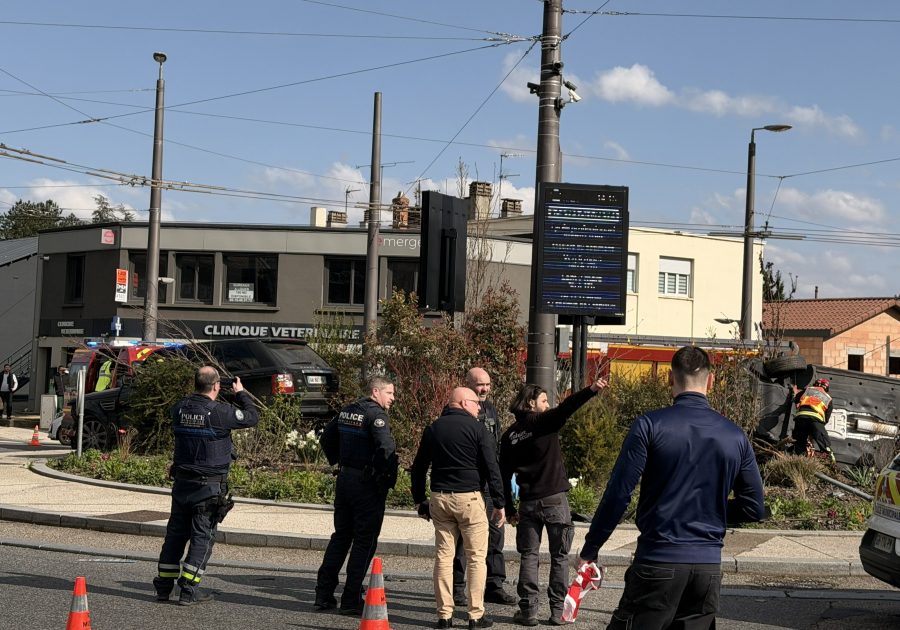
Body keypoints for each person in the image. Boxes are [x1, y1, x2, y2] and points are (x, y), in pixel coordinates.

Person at [577, 346, 766, 630]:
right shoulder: (734, 435)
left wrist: (591, 548)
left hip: (659, 558)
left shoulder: (649, 426)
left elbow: (619, 493)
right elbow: (754, 506)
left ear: (669, 377)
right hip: (707, 569)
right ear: (711, 381)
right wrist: (706, 509)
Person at [500, 375, 608, 626]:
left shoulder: (510, 436)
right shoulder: (543, 422)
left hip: (528, 502)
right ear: (530, 403)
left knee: (529, 554)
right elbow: (567, 407)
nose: (548, 405)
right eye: (544, 400)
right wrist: (591, 390)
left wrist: (509, 506)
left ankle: (528, 610)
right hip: (555, 501)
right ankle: (557, 610)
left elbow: (503, 475)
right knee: (559, 555)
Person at [153, 366, 259, 606]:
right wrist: (240, 393)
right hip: (208, 488)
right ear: (215, 386)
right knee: (202, 537)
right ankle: (189, 589)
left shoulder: (179, 408)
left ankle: (163, 587)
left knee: (175, 535)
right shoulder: (220, 413)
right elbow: (251, 417)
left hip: (182, 484)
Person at [412, 387, 506, 630]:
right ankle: (475, 616)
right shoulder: (478, 430)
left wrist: (419, 499)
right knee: (476, 558)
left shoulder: (434, 428)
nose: (479, 408)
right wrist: (500, 503)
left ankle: (444, 616)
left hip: (440, 499)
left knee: (443, 557)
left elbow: (419, 466)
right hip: (470, 500)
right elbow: (491, 467)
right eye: (476, 403)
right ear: (464, 403)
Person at [315, 375, 399, 615]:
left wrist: (340, 461)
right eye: (390, 393)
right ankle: (351, 599)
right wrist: (385, 478)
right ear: (376, 391)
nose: (392, 398)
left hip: (345, 481)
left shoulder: (347, 411)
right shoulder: (377, 415)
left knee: (341, 536)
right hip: (366, 486)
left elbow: (326, 438)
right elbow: (386, 449)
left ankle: (323, 594)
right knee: (364, 540)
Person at [452, 367, 516, 607]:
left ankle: (494, 585)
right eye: (480, 385)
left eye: (488, 385)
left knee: (495, 535)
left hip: (489, 484)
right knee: (461, 539)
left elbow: (496, 445)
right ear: (467, 384)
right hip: (467, 484)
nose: (485, 389)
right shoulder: (457, 409)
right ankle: (458, 587)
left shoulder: (490, 409)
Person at [791, 378, 835, 463]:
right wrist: (814, 431)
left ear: (815, 384)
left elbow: (796, 399)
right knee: (824, 442)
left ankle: (800, 460)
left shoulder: (808, 390)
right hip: (816, 420)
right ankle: (830, 459)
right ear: (826, 388)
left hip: (801, 418)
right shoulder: (828, 398)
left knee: (800, 443)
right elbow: (826, 419)